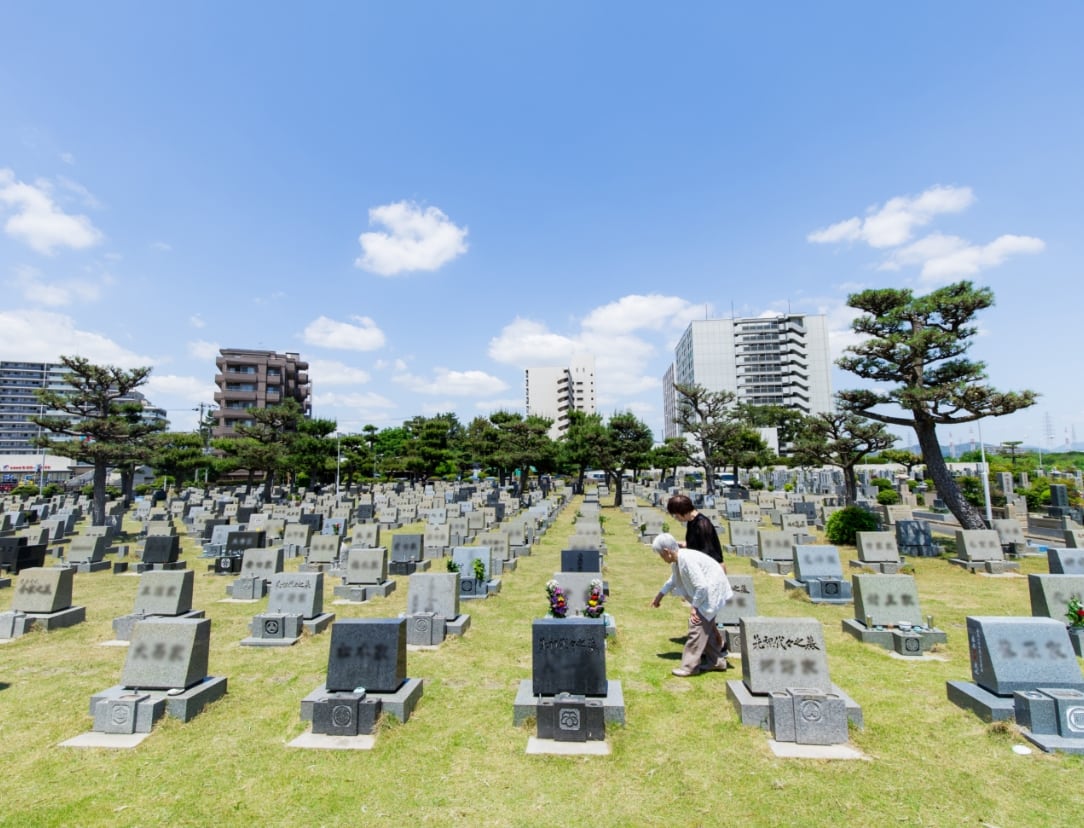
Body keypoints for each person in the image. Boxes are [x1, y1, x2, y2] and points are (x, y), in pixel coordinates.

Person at [651, 532, 734, 677]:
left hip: (712, 591)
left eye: (660, 554)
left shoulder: (686, 559)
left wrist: (694, 608)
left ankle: (689, 667)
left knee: (696, 626)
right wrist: (659, 596)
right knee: (705, 629)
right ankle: (716, 662)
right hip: (708, 591)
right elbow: (673, 580)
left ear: (666, 551)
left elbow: (701, 586)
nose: (661, 558)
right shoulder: (678, 560)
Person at [666, 494, 724, 566]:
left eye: (676, 515)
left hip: (712, 567)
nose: (676, 518)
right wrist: (677, 544)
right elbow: (696, 544)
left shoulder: (702, 524)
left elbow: (707, 552)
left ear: (683, 511)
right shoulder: (691, 521)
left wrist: (680, 556)